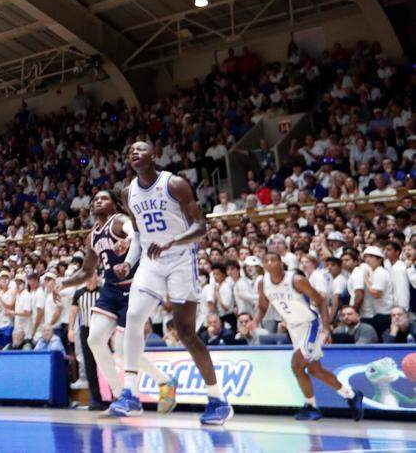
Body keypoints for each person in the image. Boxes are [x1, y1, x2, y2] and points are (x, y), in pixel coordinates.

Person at [110, 141, 232, 426]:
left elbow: (201, 227)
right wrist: (129, 260)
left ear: (155, 156)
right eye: (130, 152)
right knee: (133, 317)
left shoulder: (174, 184)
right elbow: (139, 235)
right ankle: (130, 394)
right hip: (152, 261)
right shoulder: (128, 193)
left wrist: (172, 241)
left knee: (187, 332)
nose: (134, 153)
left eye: (140, 149)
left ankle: (217, 399)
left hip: (179, 259)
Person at [59, 191, 176, 412]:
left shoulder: (119, 221)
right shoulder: (92, 235)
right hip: (111, 291)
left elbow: (134, 232)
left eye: (103, 198)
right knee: (94, 339)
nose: (97, 201)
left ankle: (163, 381)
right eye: (94, 199)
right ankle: (120, 395)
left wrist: (128, 240)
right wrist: (63, 284)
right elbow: (86, 271)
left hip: (134, 289)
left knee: (123, 351)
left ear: (114, 205)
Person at [257, 251, 364, 421]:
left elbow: (321, 300)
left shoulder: (296, 280)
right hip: (293, 328)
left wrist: (327, 328)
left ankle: (312, 406)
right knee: (315, 370)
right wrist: (256, 321)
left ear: (281, 263)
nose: (270, 263)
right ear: (263, 265)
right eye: (266, 260)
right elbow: (263, 306)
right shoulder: (263, 283)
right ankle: (351, 395)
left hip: (309, 324)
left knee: (296, 365)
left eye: (273, 260)